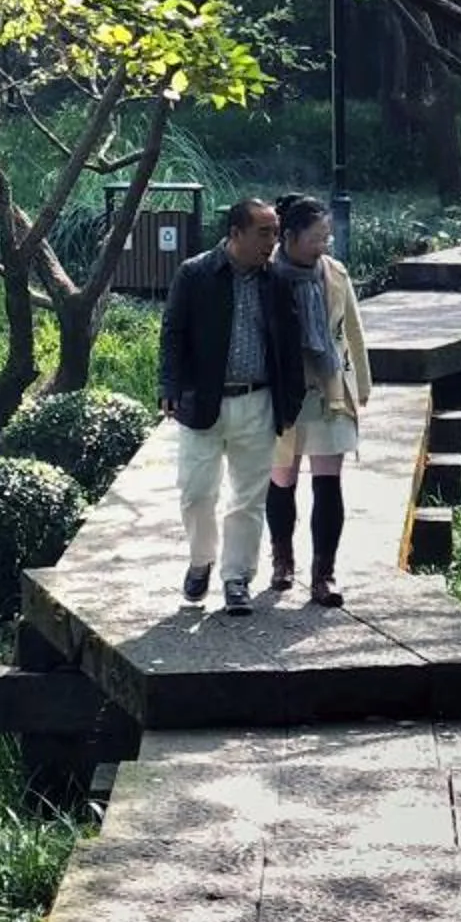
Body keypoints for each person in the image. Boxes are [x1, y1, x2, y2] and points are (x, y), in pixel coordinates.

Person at [157, 195, 298, 614]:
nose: (272, 241)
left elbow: (289, 345)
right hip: (202, 400)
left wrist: (291, 401)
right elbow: (173, 333)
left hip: (258, 399)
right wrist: (169, 383)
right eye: (264, 232)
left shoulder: (278, 280)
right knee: (196, 491)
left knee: (248, 497)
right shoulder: (195, 273)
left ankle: (237, 577)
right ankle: (201, 561)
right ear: (235, 233)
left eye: (275, 232)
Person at [266, 193, 373, 608]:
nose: (323, 245)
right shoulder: (267, 276)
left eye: (327, 236)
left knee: (329, 482)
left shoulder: (335, 273)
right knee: (282, 479)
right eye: (315, 238)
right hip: (285, 394)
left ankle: (323, 574)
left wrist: (360, 385)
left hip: (330, 389)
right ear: (289, 237)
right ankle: (282, 561)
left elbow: (353, 332)